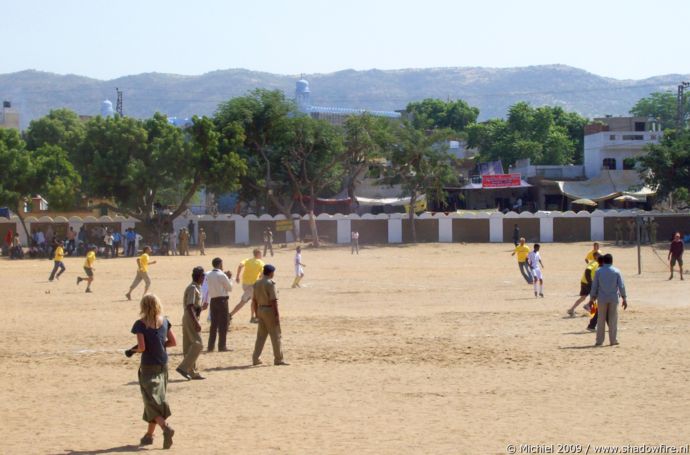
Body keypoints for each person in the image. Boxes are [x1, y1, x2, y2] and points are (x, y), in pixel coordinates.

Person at [130, 294, 176, 449]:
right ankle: (149, 435)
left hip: (149, 366)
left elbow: (142, 347)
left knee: (151, 401)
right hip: (163, 365)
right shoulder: (165, 322)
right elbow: (173, 342)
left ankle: (165, 427)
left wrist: (131, 350)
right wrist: (161, 345)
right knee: (155, 400)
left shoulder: (140, 324)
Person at [252, 264, 288, 366]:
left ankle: (255, 358)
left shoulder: (257, 282)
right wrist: (276, 315)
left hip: (260, 309)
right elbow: (273, 301)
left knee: (260, 336)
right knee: (275, 335)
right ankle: (278, 359)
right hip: (269, 310)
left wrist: (256, 313)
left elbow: (254, 301)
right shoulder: (270, 283)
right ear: (271, 273)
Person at [589, 254, 628, 346]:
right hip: (613, 298)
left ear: (604, 261)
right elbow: (621, 286)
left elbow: (594, 286)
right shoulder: (616, 271)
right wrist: (624, 298)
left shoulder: (598, 271)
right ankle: (613, 340)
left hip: (602, 298)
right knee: (613, 320)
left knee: (600, 320)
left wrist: (592, 298)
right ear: (611, 261)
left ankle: (599, 341)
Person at [176, 266, 207, 381]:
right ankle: (183, 367)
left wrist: (202, 308)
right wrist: (196, 322)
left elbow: (193, 306)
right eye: (203, 276)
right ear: (200, 277)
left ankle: (192, 372)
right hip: (190, 317)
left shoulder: (196, 287)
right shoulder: (193, 288)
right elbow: (189, 306)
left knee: (189, 345)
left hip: (190, 316)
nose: (204, 279)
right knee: (198, 344)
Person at [206, 257, 233, 352]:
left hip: (213, 300)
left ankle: (210, 346)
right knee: (223, 324)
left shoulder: (208, 274)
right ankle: (222, 346)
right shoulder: (222, 275)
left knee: (214, 324)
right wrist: (230, 278)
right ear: (220, 264)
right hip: (222, 300)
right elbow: (229, 288)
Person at [231, 249, 265, 323]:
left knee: (254, 300)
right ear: (258, 254)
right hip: (253, 285)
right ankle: (230, 315)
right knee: (244, 301)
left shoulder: (247, 260)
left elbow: (240, 266)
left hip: (245, 284)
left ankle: (253, 317)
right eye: (261, 253)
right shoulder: (260, 263)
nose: (261, 255)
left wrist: (237, 276)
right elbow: (262, 274)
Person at [567, 252, 601, 317]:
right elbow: (588, 270)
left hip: (584, 281)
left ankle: (572, 309)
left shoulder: (595, 263)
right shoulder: (594, 263)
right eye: (599, 255)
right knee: (595, 294)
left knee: (583, 297)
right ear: (596, 256)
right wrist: (590, 282)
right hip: (588, 282)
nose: (600, 256)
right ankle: (589, 307)